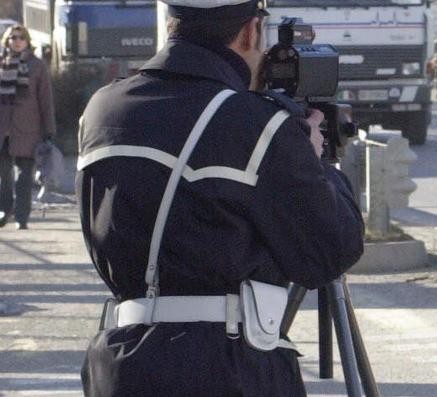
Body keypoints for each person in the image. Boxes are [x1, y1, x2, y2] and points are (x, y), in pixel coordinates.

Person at [76, 0, 364, 395]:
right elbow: (330, 252)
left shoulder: (103, 109)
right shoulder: (256, 125)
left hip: (120, 363)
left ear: (171, 21)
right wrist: (318, 163)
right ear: (250, 32)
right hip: (228, 367)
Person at [0, 24, 55, 230]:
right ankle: (5, 211)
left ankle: (22, 217)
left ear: (27, 41)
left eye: (21, 37)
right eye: (13, 37)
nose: (17, 41)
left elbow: (46, 100)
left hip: (28, 129)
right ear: (7, 40)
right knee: (4, 176)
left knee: (24, 177)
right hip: (3, 130)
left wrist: (49, 130)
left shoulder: (36, 66)